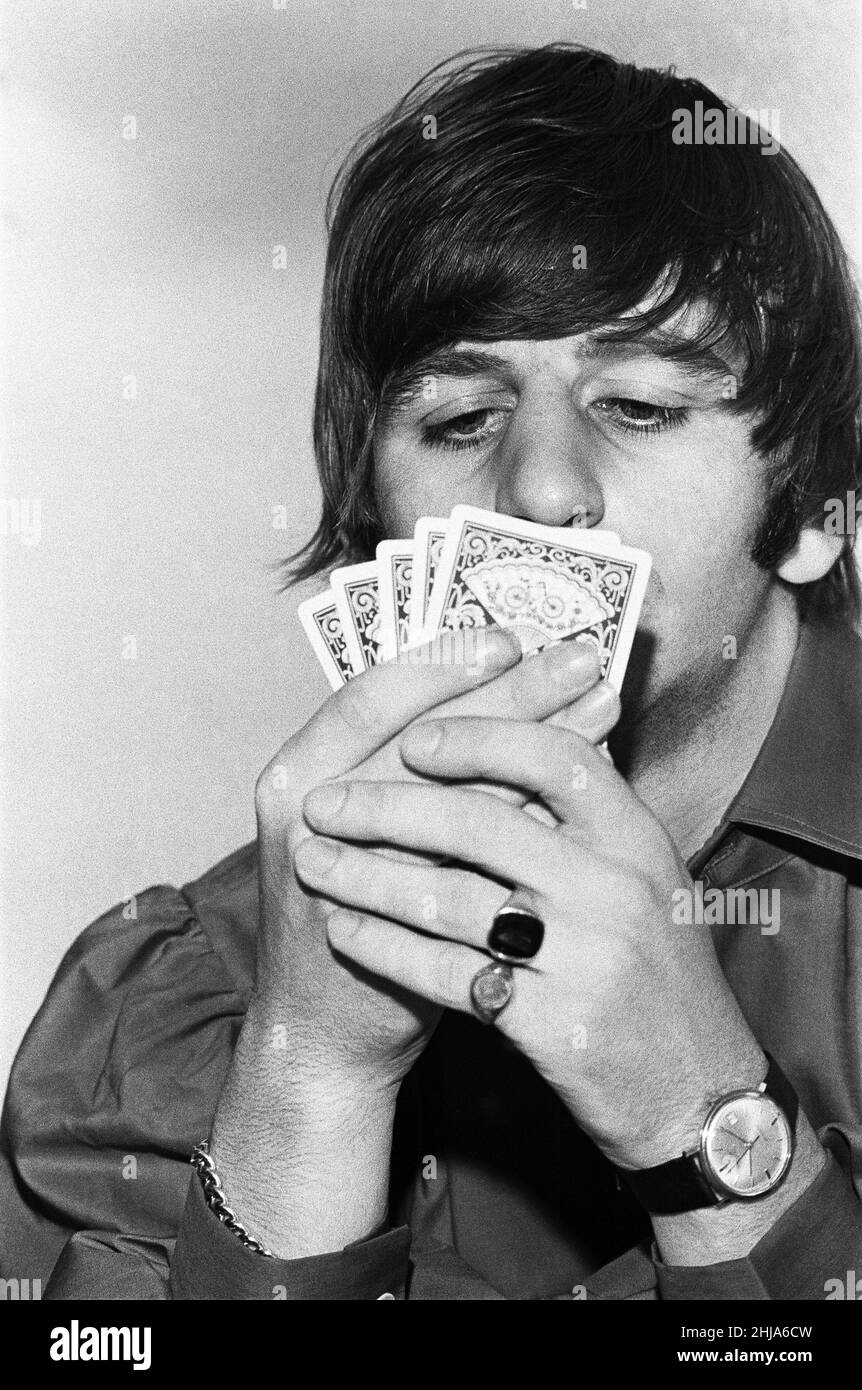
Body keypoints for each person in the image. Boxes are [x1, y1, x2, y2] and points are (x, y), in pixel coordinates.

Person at [2, 43, 860, 1301]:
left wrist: (714, 1131)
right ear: (377, 533)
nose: (541, 489)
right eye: (461, 420)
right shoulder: (164, 1001)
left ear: (814, 513)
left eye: (636, 405)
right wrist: (307, 1077)